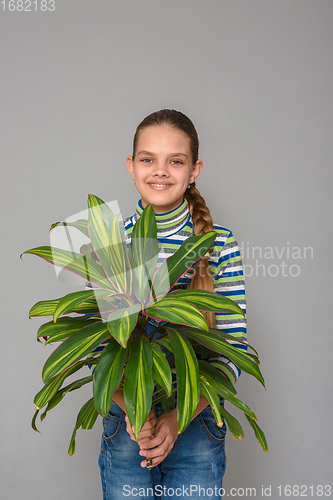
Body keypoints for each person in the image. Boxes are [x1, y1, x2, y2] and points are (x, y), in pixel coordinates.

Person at [98, 109, 247, 500]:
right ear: (131, 167)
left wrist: (176, 420)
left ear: (194, 169)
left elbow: (233, 352)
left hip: (195, 422)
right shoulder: (111, 241)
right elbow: (99, 351)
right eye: (148, 159)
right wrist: (134, 409)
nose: (160, 171)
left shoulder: (218, 243)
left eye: (175, 161)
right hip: (129, 424)